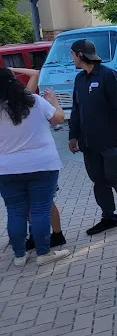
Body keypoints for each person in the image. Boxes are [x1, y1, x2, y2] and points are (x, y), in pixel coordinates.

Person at [0, 68, 71, 266]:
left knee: (15, 212)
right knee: (40, 209)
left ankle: (19, 256)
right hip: (41, 164)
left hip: (6, 169)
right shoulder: (34, 102)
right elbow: (58, 119)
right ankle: (43, 253)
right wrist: (54, 101)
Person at [68, 39, 117, 235]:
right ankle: (108, 217)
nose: (72, 58)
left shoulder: (108, 75)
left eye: (73, 54)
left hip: (110, 139)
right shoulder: (80, 79)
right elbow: (76, 110)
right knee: (98, 179)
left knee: (113, 176)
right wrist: (73, 136)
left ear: (81, 54)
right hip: (89, 142)